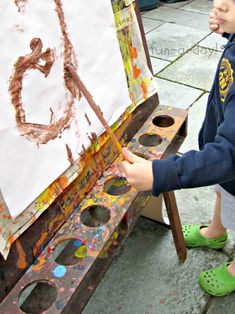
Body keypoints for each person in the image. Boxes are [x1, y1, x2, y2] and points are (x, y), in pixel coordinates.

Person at [120, 0, 235, 297]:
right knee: (223, 190)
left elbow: (229, 156)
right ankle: (215, 232)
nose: (220, 4)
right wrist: (228, 32)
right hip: (227, 163)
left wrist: (162, 174)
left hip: (230, 159)